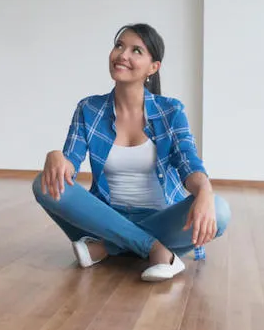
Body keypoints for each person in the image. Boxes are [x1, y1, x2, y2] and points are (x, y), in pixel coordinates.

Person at [33, 23, 230, 282]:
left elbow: (188, 162)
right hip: (103, 217)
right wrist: (55, 156)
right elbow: (69, 165)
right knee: (43, 184)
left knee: (220, 210)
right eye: (119, 46)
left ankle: (106, 247)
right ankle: (156, 250)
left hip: (158, 218)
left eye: (136, 50)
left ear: (153, 67)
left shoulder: (170, 111)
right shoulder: (88, 108)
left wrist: (205, 190)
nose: (123, 55)